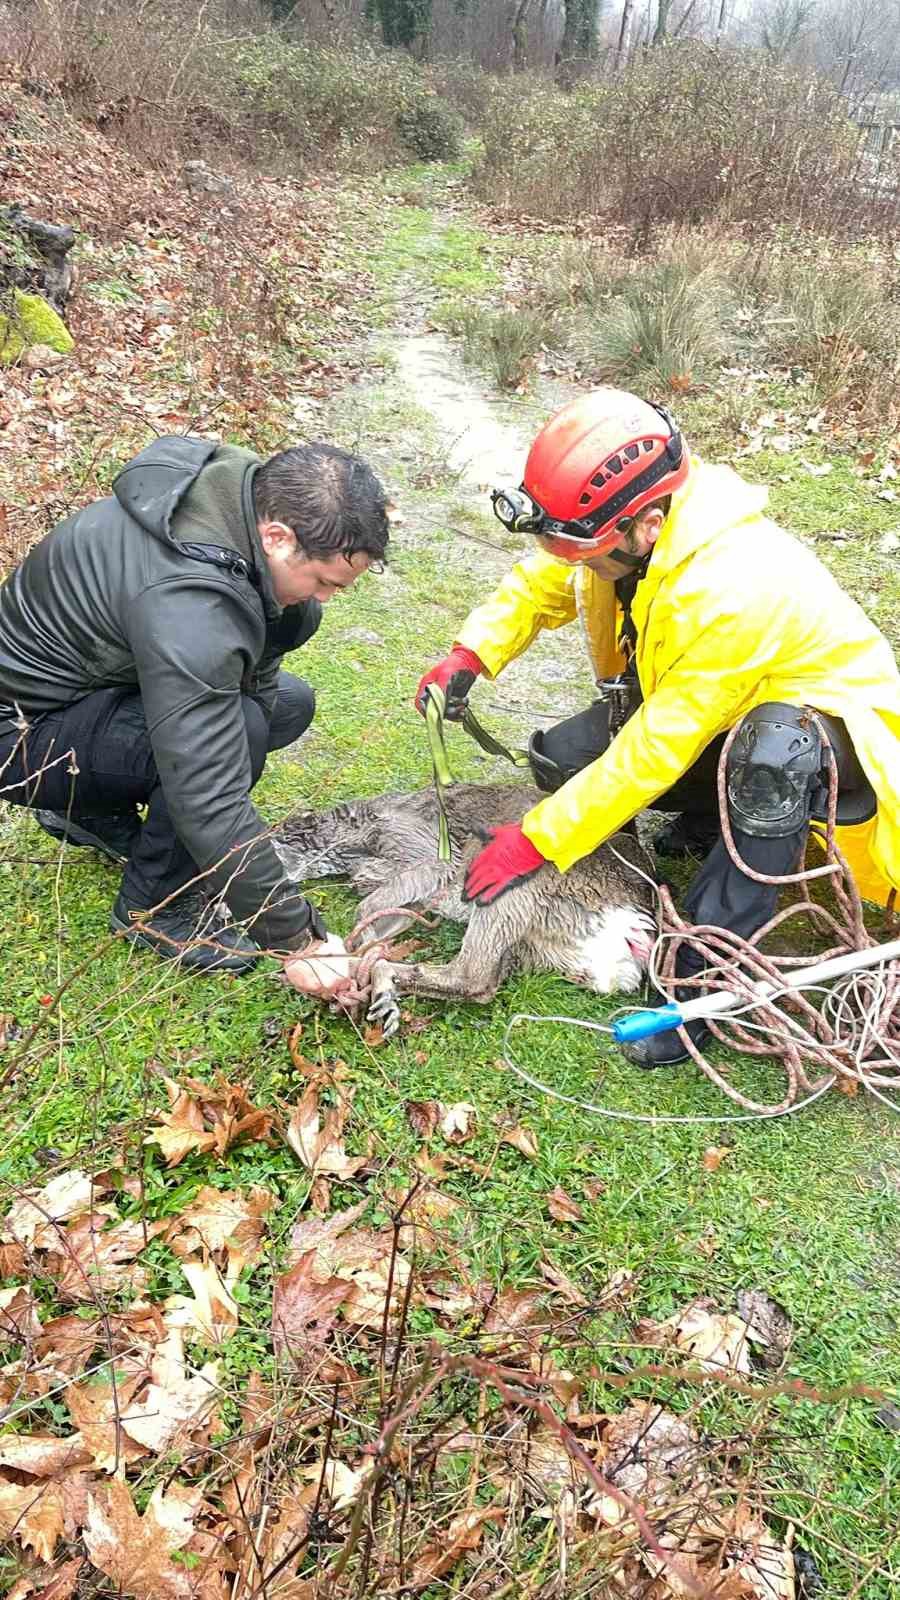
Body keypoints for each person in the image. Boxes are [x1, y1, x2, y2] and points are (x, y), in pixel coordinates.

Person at [415, 388, 900, 1066]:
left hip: (833, 734)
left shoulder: (736, 584)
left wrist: (535, 839)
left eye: (585, 550)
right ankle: (706, 827)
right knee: (567, 757)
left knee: (770, 762)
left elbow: (656, 747)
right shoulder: (628, 533)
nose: (576, 562)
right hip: (724, 709)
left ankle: (699, 990)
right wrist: (473, 653)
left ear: (644, 523)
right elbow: (546, 582)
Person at [0, 434, 390, 998]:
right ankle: (153, 908)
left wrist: (287, 621)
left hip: (81, 693)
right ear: (277, 537)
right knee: (239, 734)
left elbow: (255, 671)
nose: (326, 598)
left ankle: (83, 812)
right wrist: (299, 940)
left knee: (284, 706)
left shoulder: (233, 496)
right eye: (325, 582)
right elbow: (206, 792)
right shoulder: (189, 598)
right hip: (18, 734)